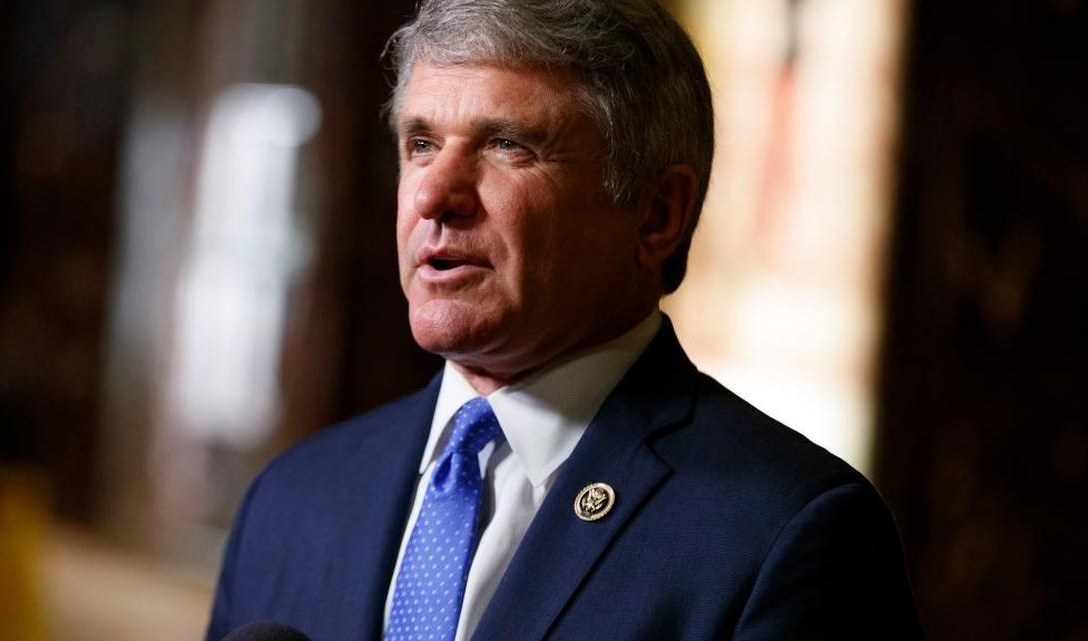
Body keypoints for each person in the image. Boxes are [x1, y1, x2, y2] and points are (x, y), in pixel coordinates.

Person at [206, 1, 924, 640]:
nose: (435, 194)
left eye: (506, 144)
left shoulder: (787, 535)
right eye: (421, 143)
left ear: (656, 214)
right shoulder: (291, 499)